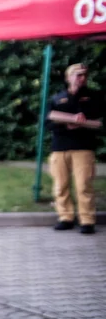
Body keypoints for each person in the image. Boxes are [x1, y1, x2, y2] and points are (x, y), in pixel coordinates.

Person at [47, 63, 102, 234]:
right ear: (68, 77)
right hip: (60, 147)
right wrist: (67, 126)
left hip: (83, 147)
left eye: (84, 75)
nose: (82, 78)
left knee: (84, 185)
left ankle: (87, 220)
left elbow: (99, 122)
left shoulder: (94, 98)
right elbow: (48, 122)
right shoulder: (57, 98)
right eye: (78, 75)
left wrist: (82, 123)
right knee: (60, 185)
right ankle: (66, 218)